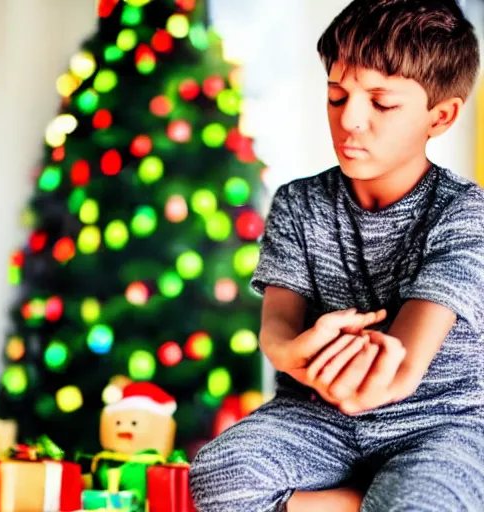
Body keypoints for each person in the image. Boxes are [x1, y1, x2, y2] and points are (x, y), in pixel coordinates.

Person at [190, 0, 484, 510]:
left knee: (424, 500)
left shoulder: (466, 212)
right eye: (336, 94)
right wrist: (298, 356)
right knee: (218, 476)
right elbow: (278, 330)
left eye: (381, 103)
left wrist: (366, 376)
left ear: (441, 116)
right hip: (316, 415)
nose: (349, 119)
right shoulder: (297, 203)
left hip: (440, 427)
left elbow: (401, 369)